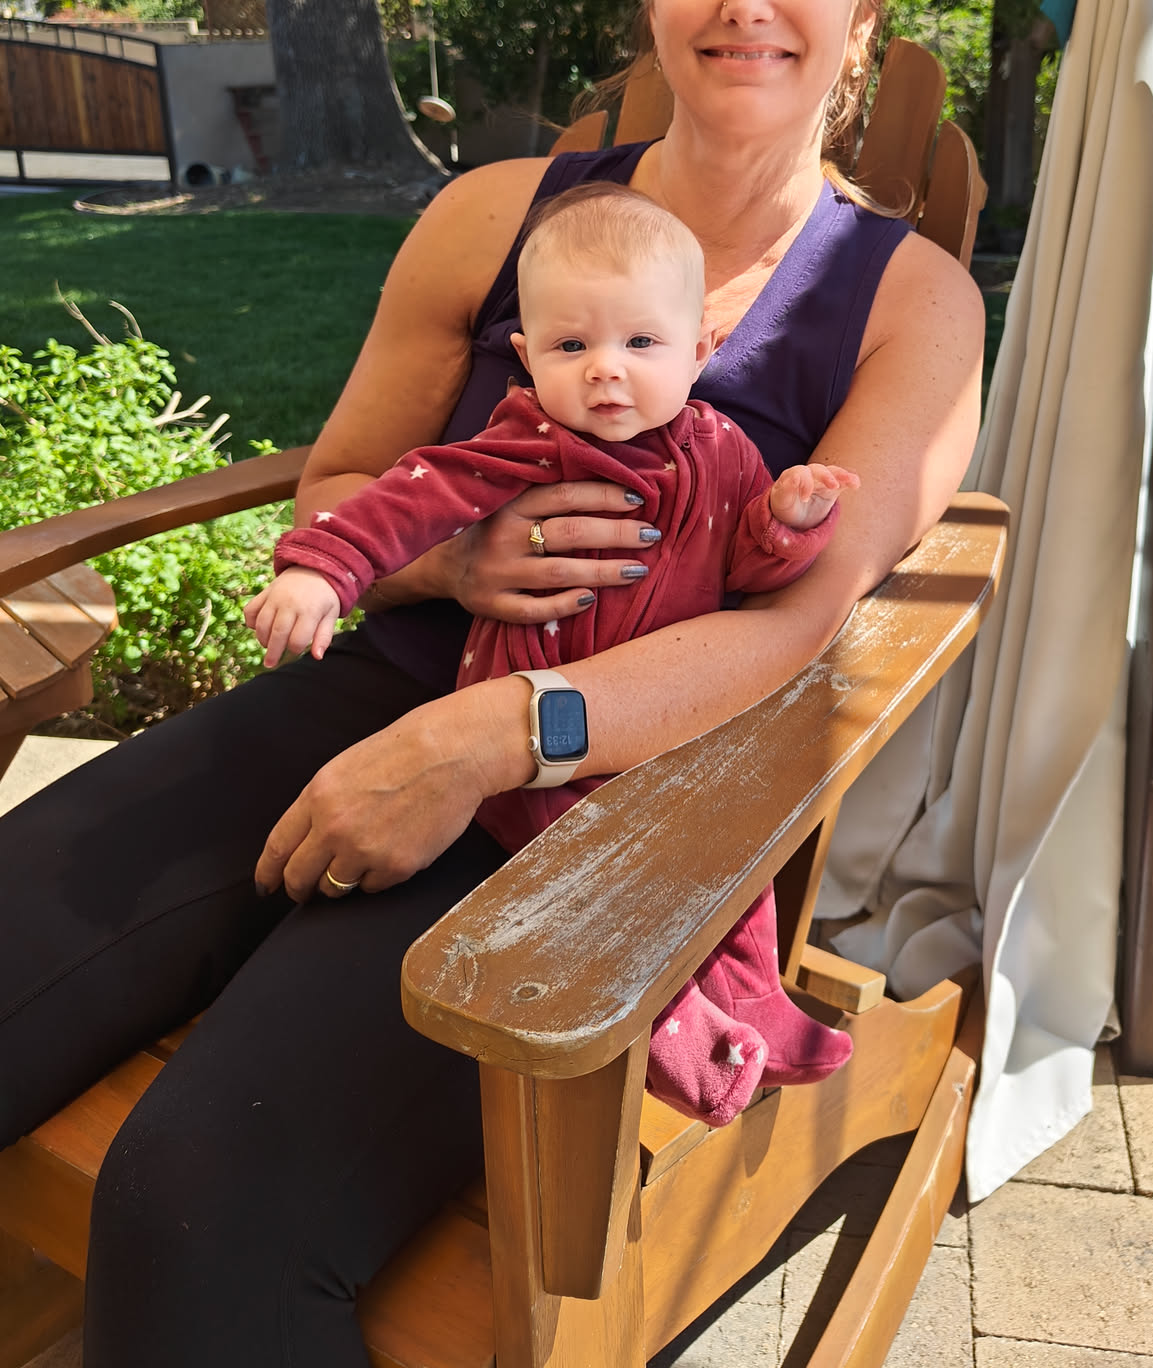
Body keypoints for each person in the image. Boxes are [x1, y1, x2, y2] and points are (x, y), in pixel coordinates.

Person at [0, 0, 984, 1368]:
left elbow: (800, 627)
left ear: (863, 4)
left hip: (605, 814)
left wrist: (488, 739)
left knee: (198, 1206)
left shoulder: (907, 304)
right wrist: (450, 556)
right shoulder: (493, 220)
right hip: (370, 690)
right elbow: (337, 487)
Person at [245, 179, 859, 1124]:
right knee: (598, 874)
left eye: (641, 344)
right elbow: (407, 499)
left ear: (700, 352)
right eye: (573, 347)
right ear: (529, 359)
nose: (607, 371)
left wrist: (787, 524)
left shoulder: (726, 450)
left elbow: (747, 569)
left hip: (658, 724)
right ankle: (674, 1036)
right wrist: (322, 570)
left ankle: (759, 1007)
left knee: (729, 856)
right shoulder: (529, 442)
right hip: (533, 742)